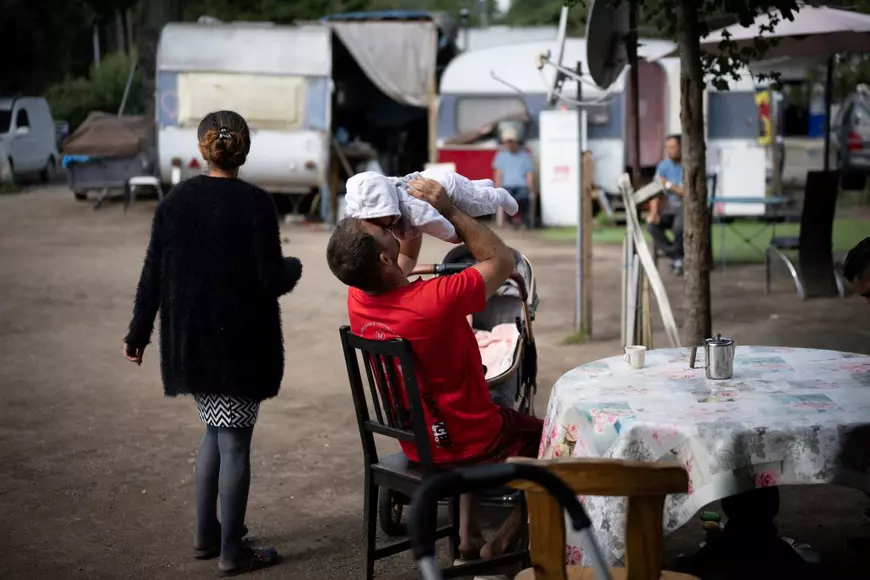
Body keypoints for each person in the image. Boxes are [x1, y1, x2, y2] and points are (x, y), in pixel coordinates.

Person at [123, 110, 303, 576]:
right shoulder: (257, 205)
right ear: (243, 149)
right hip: (239, 349)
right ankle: (232, 552)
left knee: (213, 432)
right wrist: (295, 268)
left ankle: (207, 535)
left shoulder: (175, 202)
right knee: (235, 444)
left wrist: (138, 333)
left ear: (204, 148)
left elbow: (152, 274)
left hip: (191, 345)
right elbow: (270, 279)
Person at [326, 178, 544, 560]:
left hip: (418, 441)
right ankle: (507, 537)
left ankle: (468, 536)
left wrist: (406, 218)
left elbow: (401, 260)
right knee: (562, 440)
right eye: (381, 229)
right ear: (382, 258)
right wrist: (448, 208)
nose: (388, 229)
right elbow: (503, 261)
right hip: (470, 442)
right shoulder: (436, 300)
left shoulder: (359, 295)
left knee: (460, 413)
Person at [647, 135, 685, 275]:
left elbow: (686, 193)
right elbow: (656, 192)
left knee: (679, 227)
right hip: (669, 207)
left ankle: (677, 258)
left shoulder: (689, 165)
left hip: (686, 207)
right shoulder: (663, 166)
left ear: (681, 147)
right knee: (652, 226)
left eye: (673, 147)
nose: (670, 151)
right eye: (668, 148)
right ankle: (676, 256)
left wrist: (668, 184)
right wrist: (654, 212)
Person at [492, 127, 535, 229]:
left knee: (523, 198)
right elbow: (498, 173)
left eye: (511, 141)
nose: (509, 143)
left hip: (521, 185)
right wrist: (497, 186)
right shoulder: (501, 156)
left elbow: (529, 173)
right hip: (507, 185)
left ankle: (522, 220)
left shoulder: (525, 156)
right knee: (507, 199)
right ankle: (511, 221)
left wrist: (531, 187)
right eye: (507, 141)